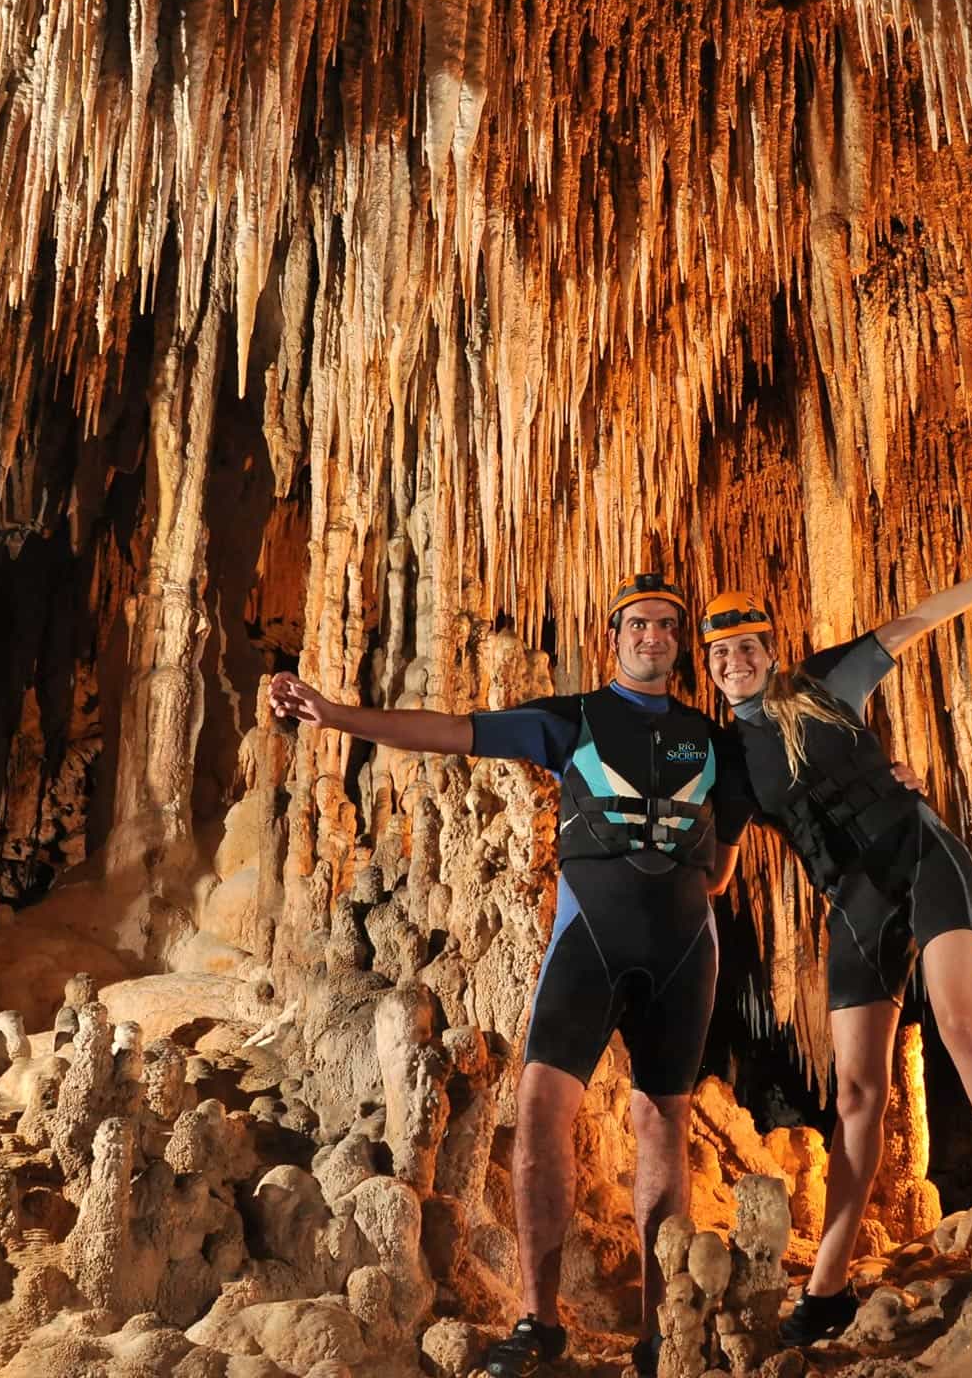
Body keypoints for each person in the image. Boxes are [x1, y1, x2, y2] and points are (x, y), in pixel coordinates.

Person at [270, 574, 751, 1378]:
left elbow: (725, 868)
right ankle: (541, 1322)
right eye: (639, 625)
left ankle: (664, 1332)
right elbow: (450, 730)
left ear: (681, 644)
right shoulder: (574, 720)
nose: (654, 637)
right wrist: (339, 714)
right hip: (590, 943)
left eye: (668, 627)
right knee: (537, 1114)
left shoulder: (714, 741)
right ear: (615, 635)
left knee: (662, 1125)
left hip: (682, 953)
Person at [699, 514, 972, 1345]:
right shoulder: (729, 762)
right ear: (711, 670)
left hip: (921, 857)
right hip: (851, 904)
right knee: (857, 1093)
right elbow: (715, 873)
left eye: (747, 646)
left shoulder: (825, 683)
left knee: (964, 1028)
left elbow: (925, 616)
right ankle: (824, 1289)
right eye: (720, 656)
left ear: (769, 648)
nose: (735, 662)